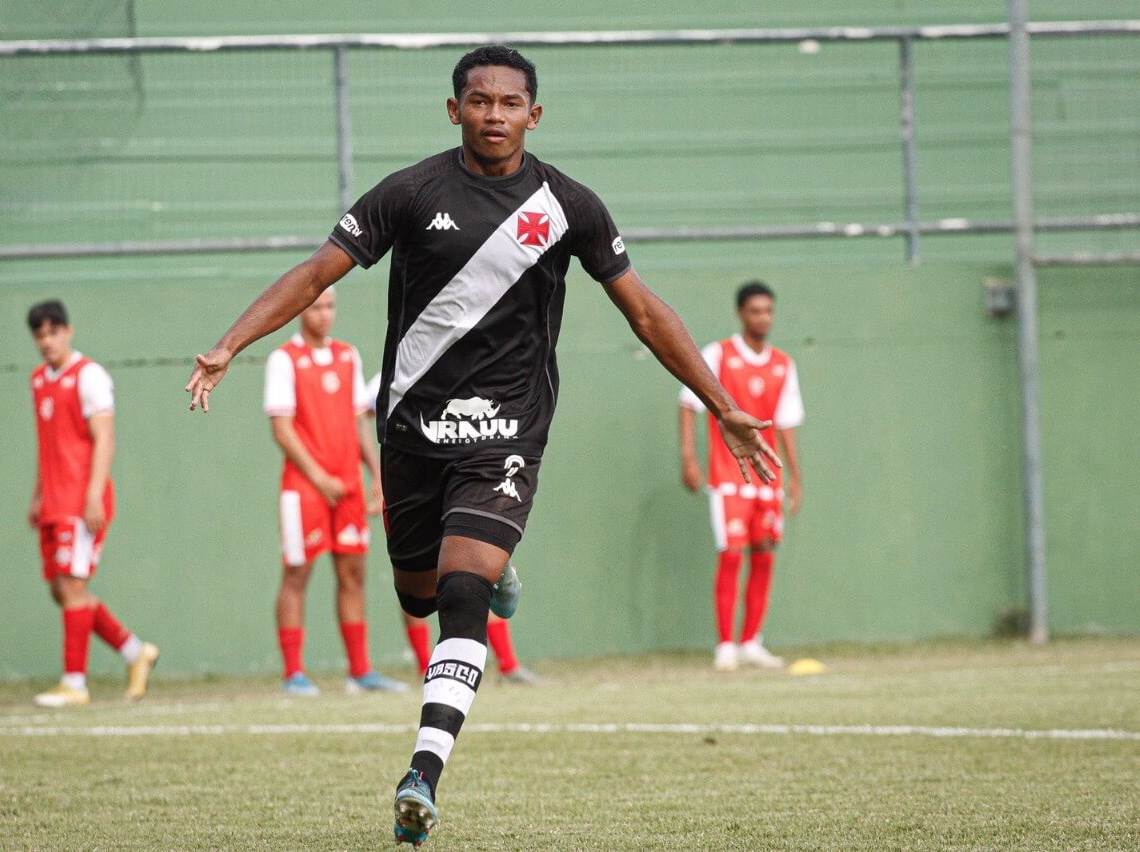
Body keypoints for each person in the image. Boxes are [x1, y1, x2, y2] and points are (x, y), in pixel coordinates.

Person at [185, 46, 779, 846]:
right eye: (479, 101)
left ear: (535, 114)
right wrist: (230, 343)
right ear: (454, 108)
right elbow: (317, 272)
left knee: (461, 594)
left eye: (509, 103)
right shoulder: (409, 193)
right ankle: (488, 570)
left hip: (505, 433)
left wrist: (721, 404)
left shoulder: (570, 206)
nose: (494, 115)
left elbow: (643, 310)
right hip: (411, 432)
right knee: (418, 596)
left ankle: (422, 775)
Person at [263, 288, 405, 696]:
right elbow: (282, 430)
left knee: (353, 574)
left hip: (347, 486)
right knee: (297, 573)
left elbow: (360, 421)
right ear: (300, 310)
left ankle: (360, 671)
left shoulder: (348, 355)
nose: (324, 314)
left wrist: (376, 476)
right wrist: (319, 477)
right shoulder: (283, 359)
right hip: (305, 488)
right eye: (316, 307)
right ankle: (294, 673)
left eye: (330, 306)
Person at [363, 375, 542, 686]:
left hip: (467, 474)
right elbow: (361, 415)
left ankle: (507, 663)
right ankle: (426, 666)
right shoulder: (400, 370)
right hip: (412, 481)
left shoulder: (483, 370)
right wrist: (378, 475)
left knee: (469, 575)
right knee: (415, 584)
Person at [27, 300, 159, 708]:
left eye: (54, 332)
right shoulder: (39, 380)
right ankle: (136, 652)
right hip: (53, 500)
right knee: (62, 590)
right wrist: (38, 494)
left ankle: (75, 684)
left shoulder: (90, 376)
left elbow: (105, 438)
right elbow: (49, 443)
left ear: (68, 331)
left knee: (72, 586)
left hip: (81, 498)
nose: (47, 342)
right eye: (40, 335)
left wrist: (93, 494)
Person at [678, 281, 804, 672]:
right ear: (740, 314)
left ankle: (751, 641)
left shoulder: (783, 364)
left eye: (768, 310)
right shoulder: (718, 354)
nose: (763, 317)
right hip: (728, 474)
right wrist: (689, 457)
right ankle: (725, 645)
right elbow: (688, 403)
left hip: (767, 477)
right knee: (731, 555)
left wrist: (795, 478)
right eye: (755, 310)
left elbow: (786, 424)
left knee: (764, 553)